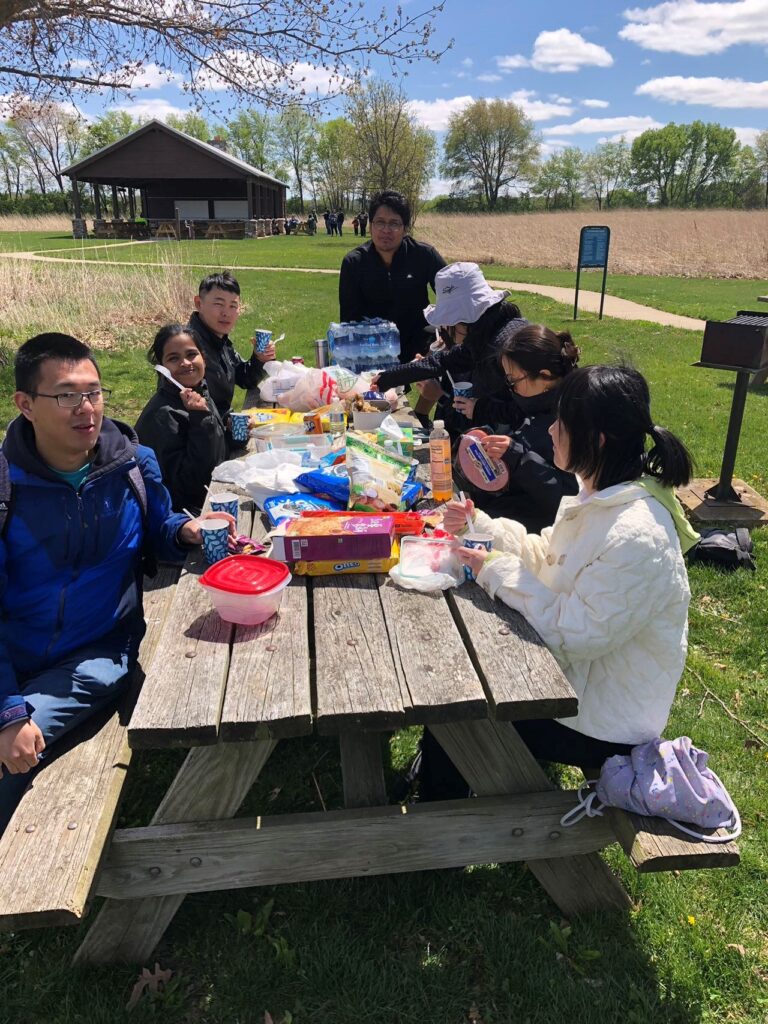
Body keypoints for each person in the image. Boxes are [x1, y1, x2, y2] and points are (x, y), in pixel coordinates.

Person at [0, 333, 233, 833]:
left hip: (95, 655)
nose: (86, 408)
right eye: (66, 395)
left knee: (10, 756)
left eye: (94, 392)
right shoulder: (6, 488)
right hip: (11, 655)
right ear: (25, 405)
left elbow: (161, 530)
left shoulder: (130, 464)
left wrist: (186, 530)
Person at [448, 364, 698, 772]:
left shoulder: (637, 534)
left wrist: (495, 569)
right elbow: (548, 558)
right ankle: (442, 800)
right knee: (460, 689)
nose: (550, 430)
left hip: (603, 724)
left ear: (597, 439)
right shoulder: (601, 498)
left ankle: (443, 818)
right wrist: (483, 529)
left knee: (461, 711)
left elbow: (574, 632)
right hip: (574, 686)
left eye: (562, 422)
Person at [374, 262, 527, 433]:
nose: (445, 328)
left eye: (448, 320)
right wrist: (387, 378)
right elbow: (440, 362)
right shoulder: (487, 330)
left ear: (464, 319)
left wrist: (473, 407)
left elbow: (525, 412)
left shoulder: (504, 346)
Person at [457, 322, 580, 534]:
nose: (511, 389)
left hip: (545, 536)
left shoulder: (574, 417)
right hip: (514, 515)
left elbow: (568, 498)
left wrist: (517, 457)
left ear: (544, 376)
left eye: (514, 381)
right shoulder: (539, 404)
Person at [339, 189, 446, 362]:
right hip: (374, 349)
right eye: (380, 222)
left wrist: (444, 336)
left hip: (420, 347)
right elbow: (349, 321)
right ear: (371, 225)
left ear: (405, 228)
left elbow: (452, 296)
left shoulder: (424, 255)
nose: (386, 230)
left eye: (394, 223)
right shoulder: (354, 262)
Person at [135, 325, 228, 515]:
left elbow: (212, 451)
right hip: (187, 517)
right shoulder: (162, 416)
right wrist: (201, 418)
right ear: (162, 368)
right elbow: (189, 485)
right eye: (173, 358)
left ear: (204, 357)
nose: (185, 363)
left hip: (214, 494)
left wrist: (230, 431)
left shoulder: (197, 392)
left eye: (191, 354)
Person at [186, 271, 276, 434]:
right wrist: (231, 427)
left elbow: (245, 379)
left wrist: (259, 358)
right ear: (199, 303)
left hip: (221, 432)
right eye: (219, 304)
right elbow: (194, 413)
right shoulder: (188, 349)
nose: (226, 313)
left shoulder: (218, 339)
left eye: (232, 306)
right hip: (201, 443)